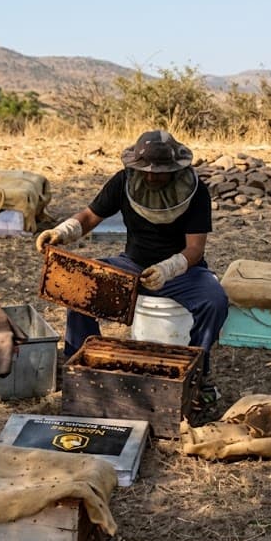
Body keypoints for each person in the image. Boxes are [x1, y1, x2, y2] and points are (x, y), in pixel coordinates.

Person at [36, 130, 230, 408]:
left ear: (175, 168)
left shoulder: (196, 191)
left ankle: (197, 372)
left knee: (215, 301)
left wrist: (168, 268)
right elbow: (91, 215)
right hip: (131, 264)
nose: (151, 177)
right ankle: (80, 365)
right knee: (78, 286)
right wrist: (62, 232)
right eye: (145, 171)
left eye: (159, 172)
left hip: (183, 271)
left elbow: (195, 249)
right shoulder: (123, 181)